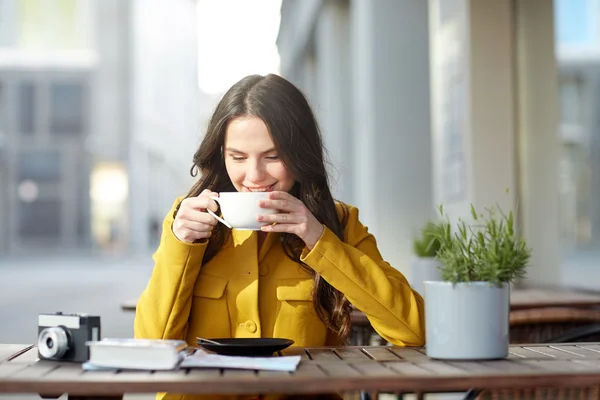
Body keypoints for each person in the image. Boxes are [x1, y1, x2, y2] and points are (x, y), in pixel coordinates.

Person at [134, 74, 425, 400]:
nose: (254, 177)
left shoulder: (339, 223)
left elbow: (412, 330)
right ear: (221, 155)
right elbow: (151, 347)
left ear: (301, 154)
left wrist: (319, 239)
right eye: (238, 157)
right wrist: (181, 246)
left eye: (272, 157)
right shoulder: (187, 221)